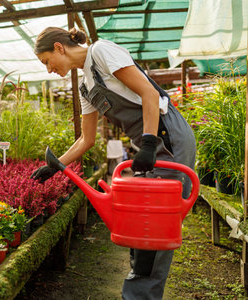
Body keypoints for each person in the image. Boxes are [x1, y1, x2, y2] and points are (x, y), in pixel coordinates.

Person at [30, 27, 196, 300]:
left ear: (59, 47)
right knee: (141, 221)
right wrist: (56, 165)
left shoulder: (101, 51)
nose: (49, 70)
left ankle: (141, 295)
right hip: (147, 143)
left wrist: (149, 143)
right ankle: (139, 290)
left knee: (154, 227)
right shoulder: (85, 86)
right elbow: (87, 138)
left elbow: (149, 94)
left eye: (46, 61)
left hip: (166, 137)